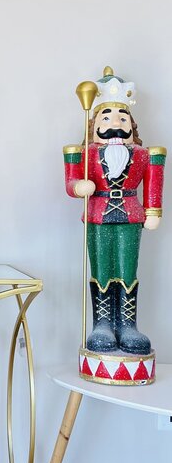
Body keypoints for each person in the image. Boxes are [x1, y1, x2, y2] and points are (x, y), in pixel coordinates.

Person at [64, 67, 165, 354]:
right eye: (106, 117)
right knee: (101, 266)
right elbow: (70, 182)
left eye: (122, 117)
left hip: (131, 214)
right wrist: (79, 186)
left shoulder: (146, 155)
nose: (115, 123)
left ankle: (128, 324)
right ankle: (102, 323)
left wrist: (154, 210)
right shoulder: (84, 154)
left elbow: (154, 182)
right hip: (98, 213)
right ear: (94, 123)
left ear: (132, 124)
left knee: (127, 266)